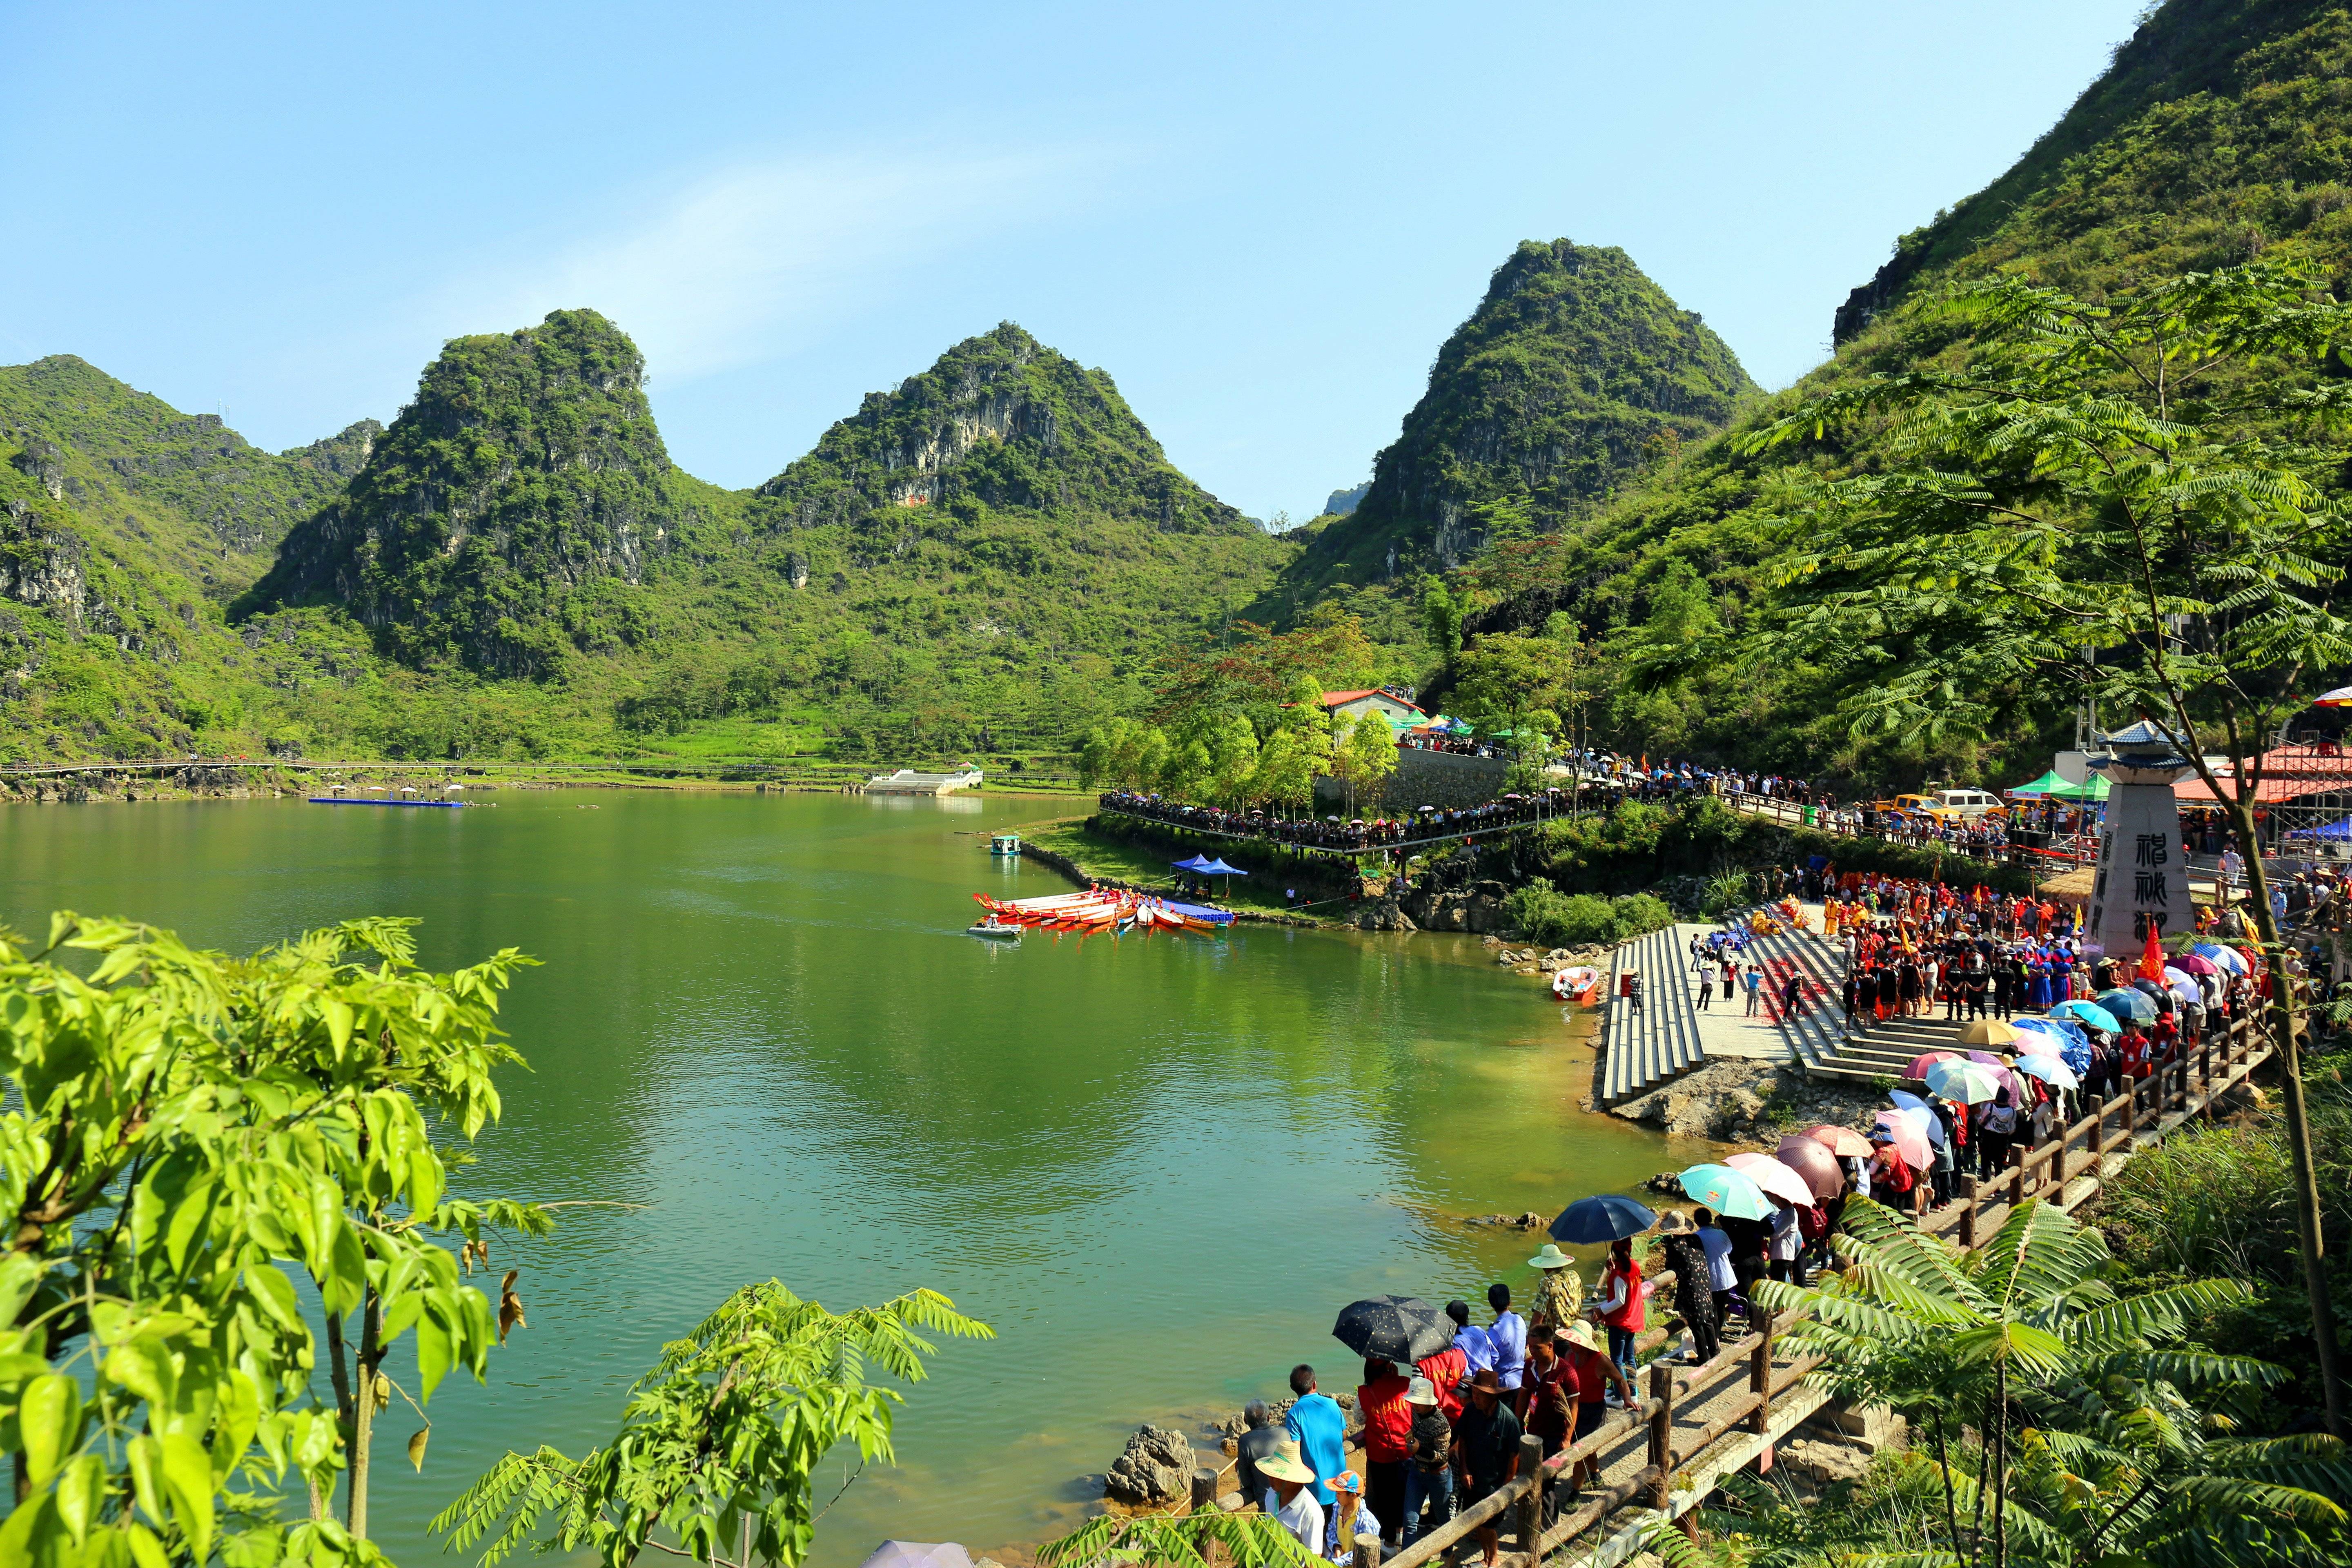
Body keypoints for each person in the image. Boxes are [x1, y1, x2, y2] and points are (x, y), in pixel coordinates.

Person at [1452, 1370, 1523, 1568]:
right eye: (1474, 1392)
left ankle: (1494, 1559)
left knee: (1488, 1525)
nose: (1476, 1397)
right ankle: (1487, 1558)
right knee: (1477, 1522)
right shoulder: (1470, 1412)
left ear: (1493, 1396)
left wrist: (1507, 1488)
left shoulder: (1509, 1421)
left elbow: (1514, 1456)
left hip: (1495, 1483)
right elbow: (1463, 1439)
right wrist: (1464, 1469)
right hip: (1473, 1480)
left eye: (1481, 1394)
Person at [1559, 1321, 1634, 1490]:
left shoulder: (1601, 1361)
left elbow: (1620, 1380)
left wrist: (1627, 1399)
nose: (1572, 1343)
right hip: (1574, 1408)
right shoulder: (1569, 1354)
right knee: (1588, 1449)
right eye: (1571, 1340)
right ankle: (1596, 1477)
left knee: (1581, 1450)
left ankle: (1575, 1493)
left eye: (1576, 1341)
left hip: (1594, 1412)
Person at [1355, 1359, 1411, 1547]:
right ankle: (1401, 1534)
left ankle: (1389, 1543)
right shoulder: (1405, 1383)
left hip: (1380, 1453)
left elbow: (1359, 1418)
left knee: (1384, 1499)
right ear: (1390, 1368)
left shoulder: (1364, 1391)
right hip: (1405, 1451)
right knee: (1403, 1494)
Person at [1656, 1211, 1722, 1364]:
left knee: (1695, 1322)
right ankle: (1715, 1351)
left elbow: (1670, 1267)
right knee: (1707, 1319)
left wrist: (1669, 1246)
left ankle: (1704, 1357)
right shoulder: (1696, 1238)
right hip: (1704, 1283)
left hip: (1690, 1287)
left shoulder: (1674, 1246)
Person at [1284, 1365, 1348, 1510]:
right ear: (1314, 1384)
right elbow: (1344, 1434)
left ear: (1292, 1387)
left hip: (1316, 1490)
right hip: (1341, 1484)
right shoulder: (1332, 1404)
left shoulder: (1294, 1414)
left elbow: (1295, 1448)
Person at [1593, 1238, 1645, 1390]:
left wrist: (1600, 1310)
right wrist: (1611, 1270)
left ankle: (1620, 1394)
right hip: (1633, 1320)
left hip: (1620, 1323)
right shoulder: (1635, 1266)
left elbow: (1619, 1301)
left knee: (1617, 1359)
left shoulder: (1620, 1274)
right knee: (1630, 1357)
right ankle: (1633, 1391)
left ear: (1614, 1253)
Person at [1258, 1439, 1325, 1553]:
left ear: (1291, 1480)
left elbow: (1314, 1558)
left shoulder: (1311, 1513)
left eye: (1275, 1476)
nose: (1270, 1480)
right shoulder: (1271, 1494)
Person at [1693, 1207, 1737, 1331]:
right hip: (1726, 1277)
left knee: (1711, 1309)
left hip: (1709, 1278)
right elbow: (1729, 1250)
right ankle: (1719, 1334)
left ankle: (1715, 1336)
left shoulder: (1696, 1237)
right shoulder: (1721, 1234)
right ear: (1710, 1220)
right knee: (1721, 1306)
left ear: (1697, 1222)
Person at [1236, 1400, 1284, 1506]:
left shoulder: (1245, 1441)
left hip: (1267, 1505)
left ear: (1245, 1420)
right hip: (1290, 1498)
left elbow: (1246, 1483)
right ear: (1269, 1417)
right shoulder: (1284, 1432)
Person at [1526, 1243, 1583, 1333]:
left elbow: (1539, 1313)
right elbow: (1581, 1300)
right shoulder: (1575, 1275)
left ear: (1545, 1267)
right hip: (1577, 1330)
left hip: (1558, 1335)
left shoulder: (1546, 1282)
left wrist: (1531, 1335)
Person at [1486, 1283, 1527, 1393]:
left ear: (1492, 1305)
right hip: (1523, 1380)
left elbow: (1491, 1358)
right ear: (1510, 1302)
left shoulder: (1495, 1330)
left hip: (1505, 1384)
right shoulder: (1519, 1320)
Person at [1979, 1088, 2018, 1178]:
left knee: (1986, 1162)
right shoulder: (2012, 1111)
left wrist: (1979, 1119)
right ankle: (1998, 1189)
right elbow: (2012, 1129)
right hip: (2002, 1139)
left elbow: (1982, 1121)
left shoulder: (1990, 1107)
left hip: (1989, 1137)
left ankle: (1988, 1185)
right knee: (1999, 1164)